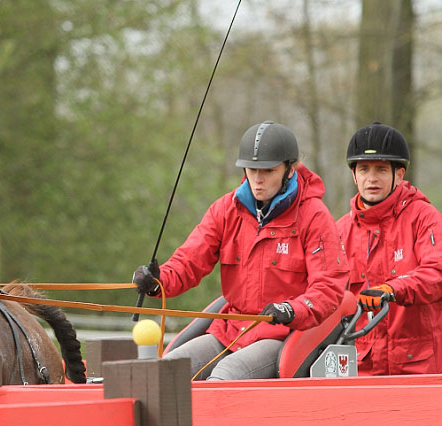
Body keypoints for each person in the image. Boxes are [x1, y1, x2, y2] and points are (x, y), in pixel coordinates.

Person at [133, 121, 348, 381]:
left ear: (290, 170)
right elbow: (189, 261)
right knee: (165, 371)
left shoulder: (314, 216)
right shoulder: (226, 209)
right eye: (252, 169)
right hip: (229, 330)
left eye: (268, 171)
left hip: (280, 333)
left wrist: (292, 309)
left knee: (226, 373)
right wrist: (158, 281)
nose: (257, 180)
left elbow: (328, 287)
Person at [337, 122, 442, 426]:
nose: (372, 177)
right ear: (354, 175)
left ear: (400, 173)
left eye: (381, 169)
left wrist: (395, 288)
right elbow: (320, 291)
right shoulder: (341, 232)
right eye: (364, 169)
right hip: (362, 373)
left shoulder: (424, 218)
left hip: (418, 372)